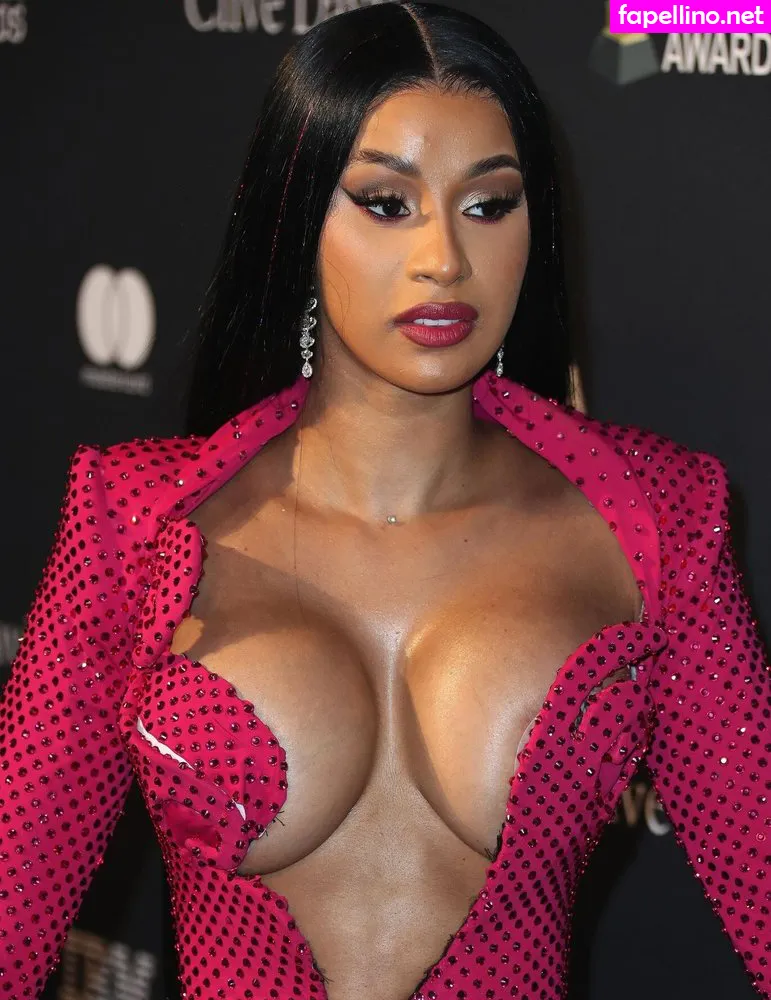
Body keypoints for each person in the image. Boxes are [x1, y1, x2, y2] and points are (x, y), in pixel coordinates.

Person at [0, 3, 768, 999]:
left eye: (488, 204)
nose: (444, 257)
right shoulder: (136, 519)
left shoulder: (658, 519)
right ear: (295, 219)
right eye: (385, 202)